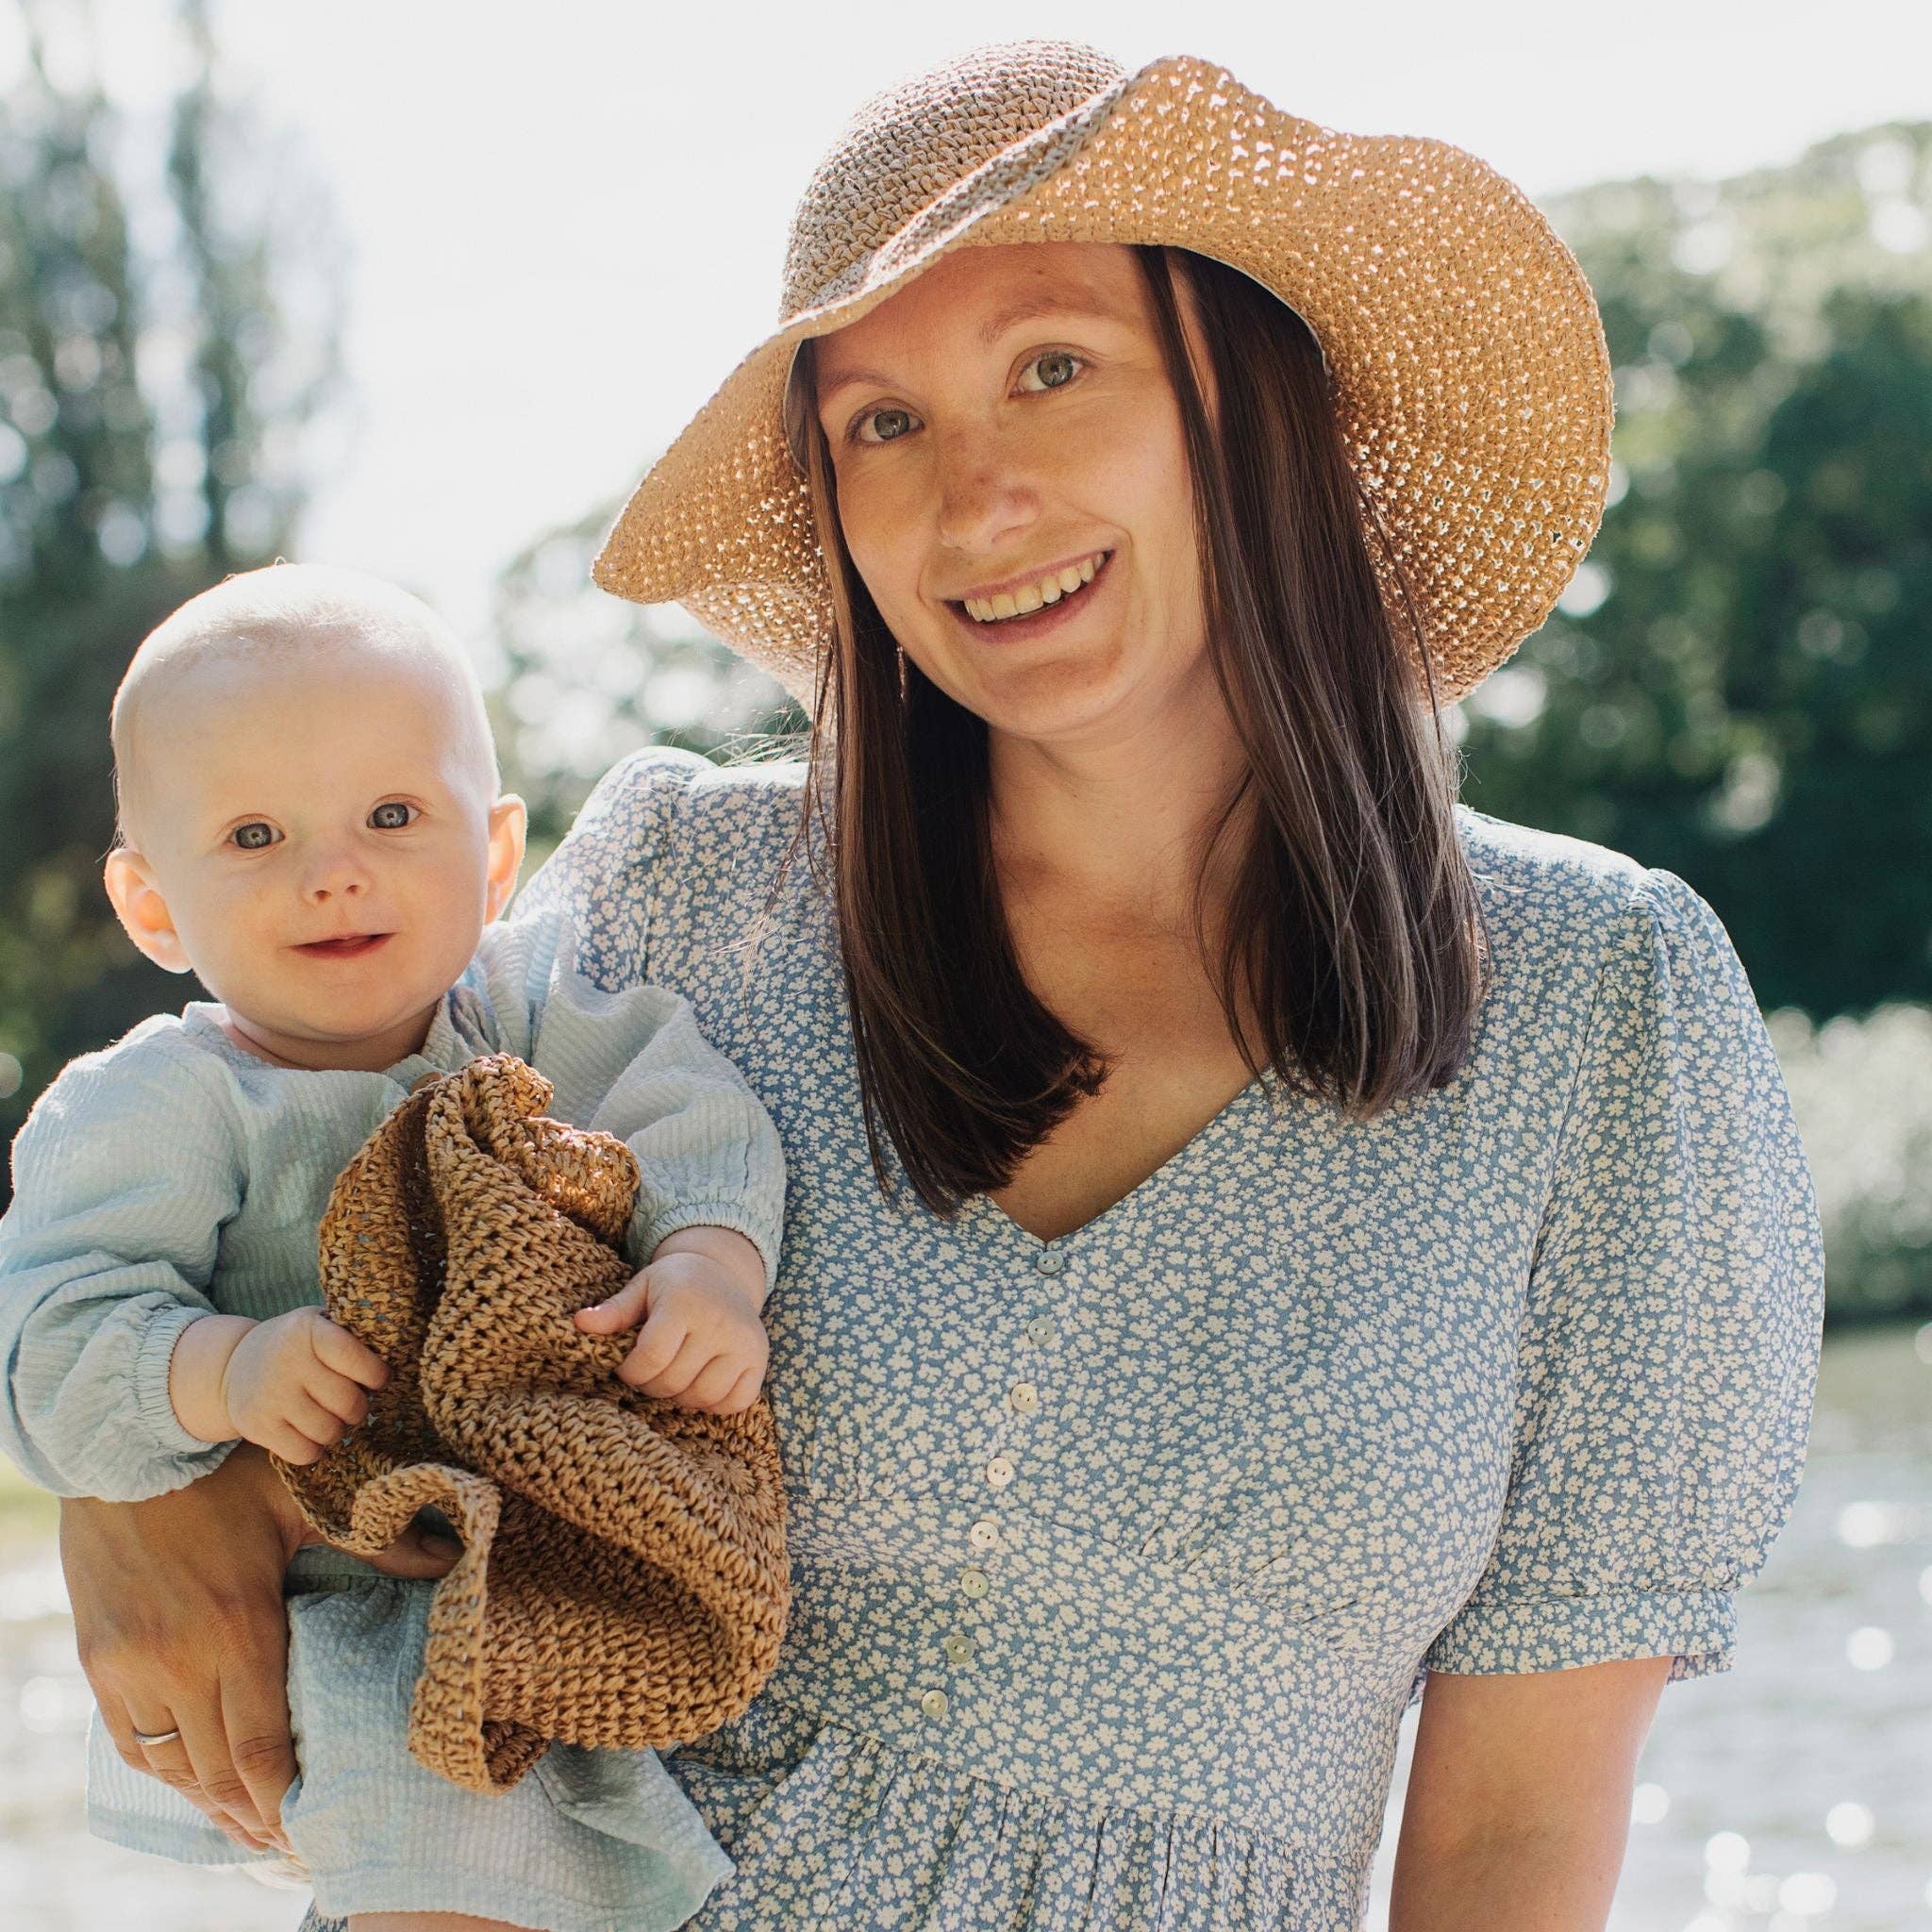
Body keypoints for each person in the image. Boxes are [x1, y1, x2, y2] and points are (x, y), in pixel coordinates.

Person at [50, 42, 1826, 1932]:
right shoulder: (683, 898)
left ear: (1247, 402)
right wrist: (131, 1494)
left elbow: (1507, 1853)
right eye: (878, 423)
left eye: (1050, 369)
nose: (972, 495)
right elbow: (267, 1210)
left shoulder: (1605, 1007)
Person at [0, 562, 788, 1931]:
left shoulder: (530, 1015)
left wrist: (711, 1261)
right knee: (445, 1868)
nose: (335, 870)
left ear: (493, 858)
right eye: (253, 836)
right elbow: (46, 1355)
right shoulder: (162, 1106)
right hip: (337, 1617)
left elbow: (685, 1104)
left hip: (543, 1575)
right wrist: (221, 1370)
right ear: (152, 907)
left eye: (390, 813)